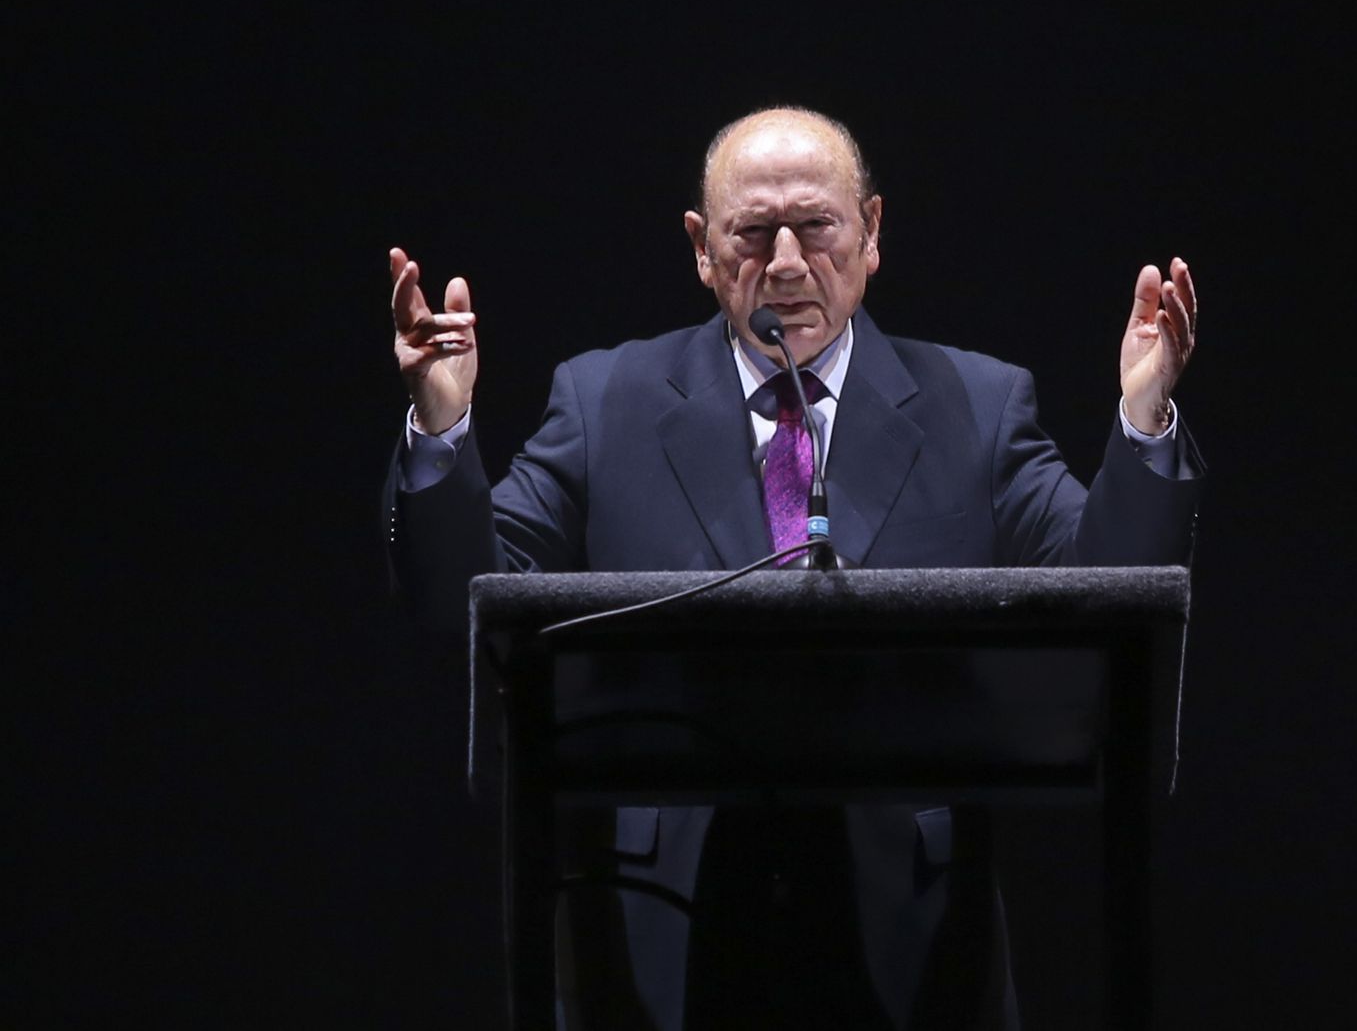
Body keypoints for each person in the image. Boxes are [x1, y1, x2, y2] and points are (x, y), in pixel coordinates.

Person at [386, 106, 1202, 1029]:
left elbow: (1107, 591)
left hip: (912, 932)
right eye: (750, 233)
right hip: (664, 920)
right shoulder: (603, 397)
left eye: (816, 228)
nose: (783, 262)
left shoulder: (974, 403)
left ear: (872, 233)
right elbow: (467, 596)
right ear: (701, 247)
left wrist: (1141, 421)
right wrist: (444, 428)